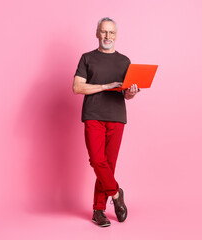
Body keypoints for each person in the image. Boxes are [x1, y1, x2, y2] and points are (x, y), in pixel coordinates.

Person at [73, 17, 140, 227]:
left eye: (111, 32)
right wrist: (105, 85)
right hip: (93, 114)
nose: (107, 36)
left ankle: (98, 211)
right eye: (103, 32)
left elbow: (126, 95)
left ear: (116, 35)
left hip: (117, 116)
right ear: (97, 33)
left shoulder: (125, 61)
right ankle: (116, 193)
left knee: (109, 165)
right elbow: (77, 87)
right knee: (97, 160)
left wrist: (131, 92)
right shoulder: (87, 58)